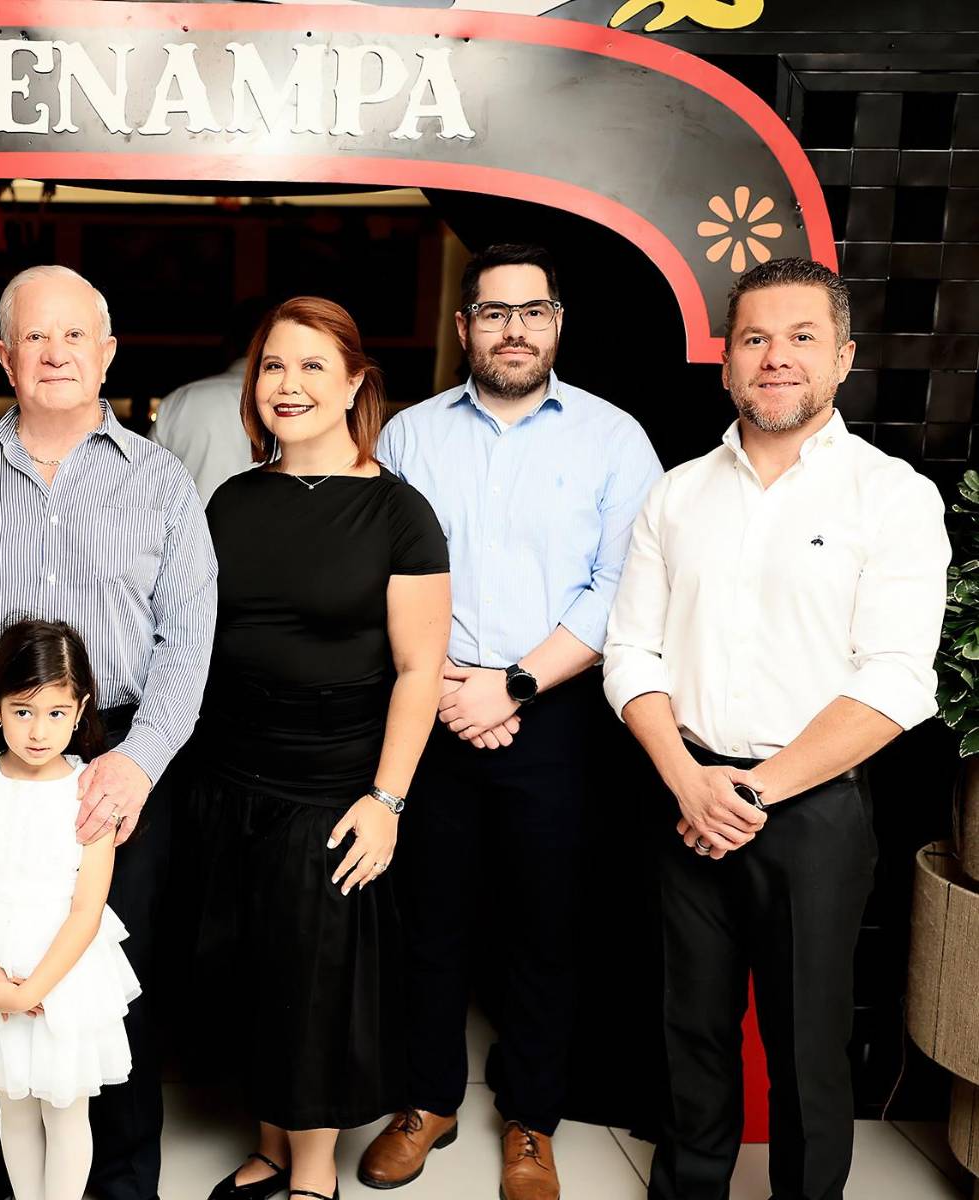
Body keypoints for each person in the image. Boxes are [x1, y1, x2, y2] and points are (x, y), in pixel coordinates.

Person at [603, 257, 949, 1200]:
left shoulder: (891, 495)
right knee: (688, 1033)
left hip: (811, 810)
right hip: (685, 795)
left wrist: (751, 792)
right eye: (754, 338)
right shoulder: (676, 494)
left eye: (801, 337)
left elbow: (895, 680)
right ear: (726, 362)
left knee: (807, 1044)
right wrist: (689, 781)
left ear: (843, 358)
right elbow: (629, 653)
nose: (775, 357)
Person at [0, 264, 217, 1200]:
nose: (55, 353)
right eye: (34, 337)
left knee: (113, 975)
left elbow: (188, 635)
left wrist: (140, 761)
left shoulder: (160, 480)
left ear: (107, 352)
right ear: (4, 357)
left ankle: (116, 1180)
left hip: (115, 747)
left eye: (74, 335)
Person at [370, 244, 663, 1200]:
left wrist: (516, 685)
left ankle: (531, 1119)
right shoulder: (410, 435)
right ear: (464, 328)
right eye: (494, 313)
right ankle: (426, 1101)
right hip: (433, 706)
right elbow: (384, 570)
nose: (513, 330)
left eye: (531, 312)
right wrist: (451, 686)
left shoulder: (613, 439)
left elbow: (623, 584)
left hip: (560, 716)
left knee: (546, 928)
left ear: (557, 324)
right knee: (427, 922)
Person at [177, 297, 451, 1200]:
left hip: (334, 783)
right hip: (228, 775)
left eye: (309, 367)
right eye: (271, 366)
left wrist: (387, 800)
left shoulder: (399, 512)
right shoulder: (231, 500)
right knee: (251, 969)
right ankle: (268, 1143)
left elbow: (419, 670)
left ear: (353, 384)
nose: (286, 385)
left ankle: (312, 1173)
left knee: (314, 980)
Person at [0, 618, 140, 1200]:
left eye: (56, 712)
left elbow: (88, 907)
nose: (39, 730)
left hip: (63, 970)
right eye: (23, 711)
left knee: (66, 1111)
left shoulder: (91, 789)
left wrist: (33, 991)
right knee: (14, 1107)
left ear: (81, 710)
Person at [149, 299, 264, 502]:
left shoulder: (180, 401)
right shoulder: (294, 404)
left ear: (228, 344)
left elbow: (146, 483)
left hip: (192, 521)